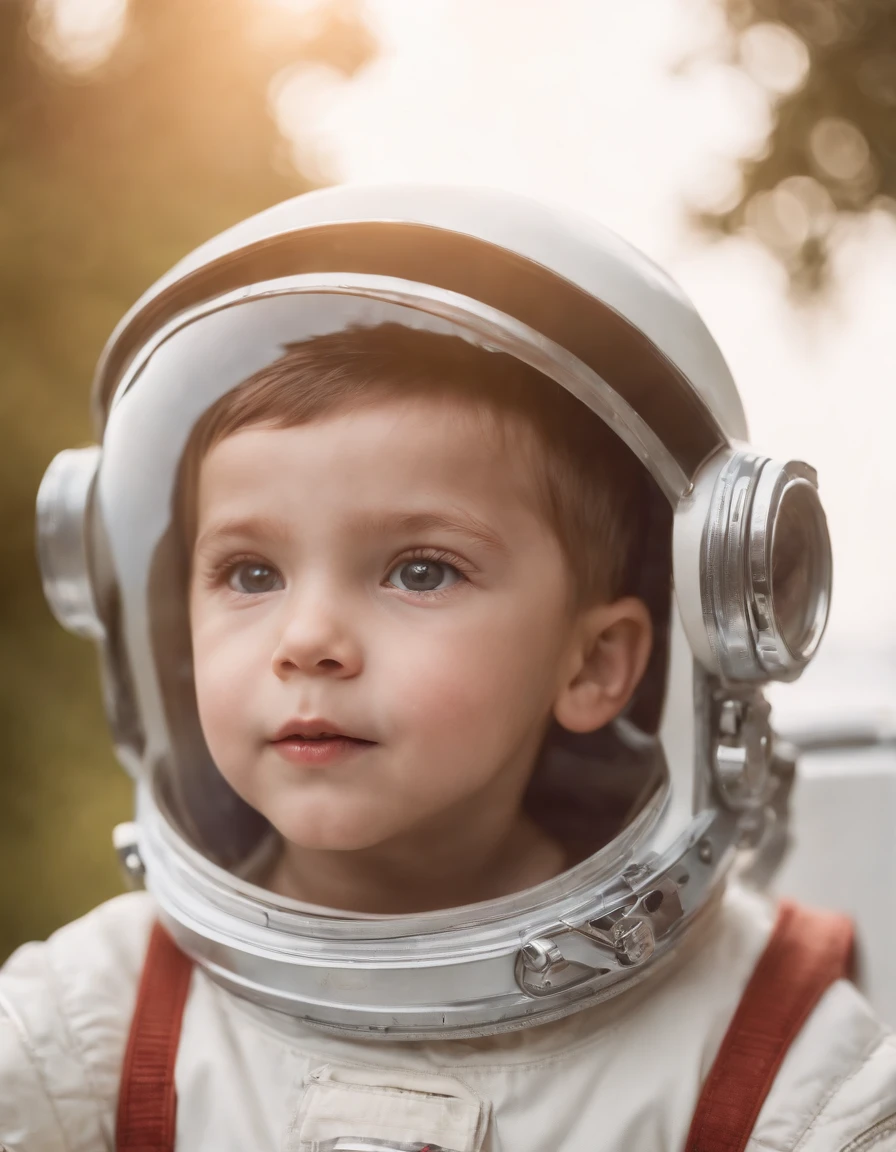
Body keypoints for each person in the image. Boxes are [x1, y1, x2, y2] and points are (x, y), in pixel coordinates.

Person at [3, 184, 894, 1151]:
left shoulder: (786, 1072)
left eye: (420, 570)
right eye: (251, 572)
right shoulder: (83, 1033)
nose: (308, 639)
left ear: (595, 663)